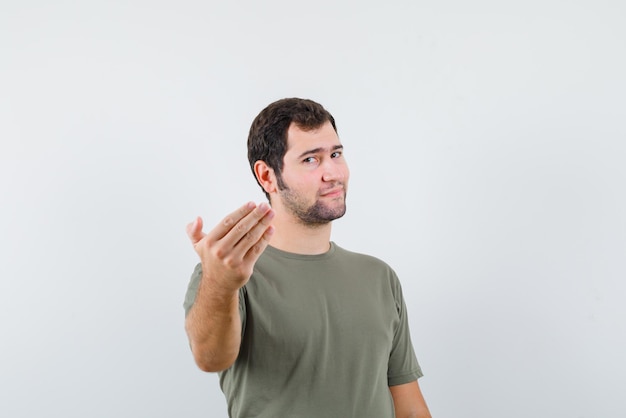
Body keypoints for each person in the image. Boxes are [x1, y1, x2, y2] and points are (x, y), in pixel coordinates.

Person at [183, 98, 431, 418]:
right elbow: (210, 358)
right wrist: (220, 282)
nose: (332, 173)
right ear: (267, 176)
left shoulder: (379, 277)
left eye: (335, 154)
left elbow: (409, 406)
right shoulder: (229, 275)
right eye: (311, 159)